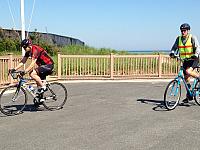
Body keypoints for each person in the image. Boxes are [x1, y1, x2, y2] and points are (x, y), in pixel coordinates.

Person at [169, 23, 200, 103]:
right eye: (182, 30)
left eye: (184, 30)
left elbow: (197, 47)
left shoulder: (192, 38)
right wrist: (172, 53)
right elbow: (174, 47)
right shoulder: (178, 39)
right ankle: (189, 95)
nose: (183, 32)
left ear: (188, 31)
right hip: (185, 61)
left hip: (193, 59)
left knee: (188, 71)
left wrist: (196, 55)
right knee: (186, 79)